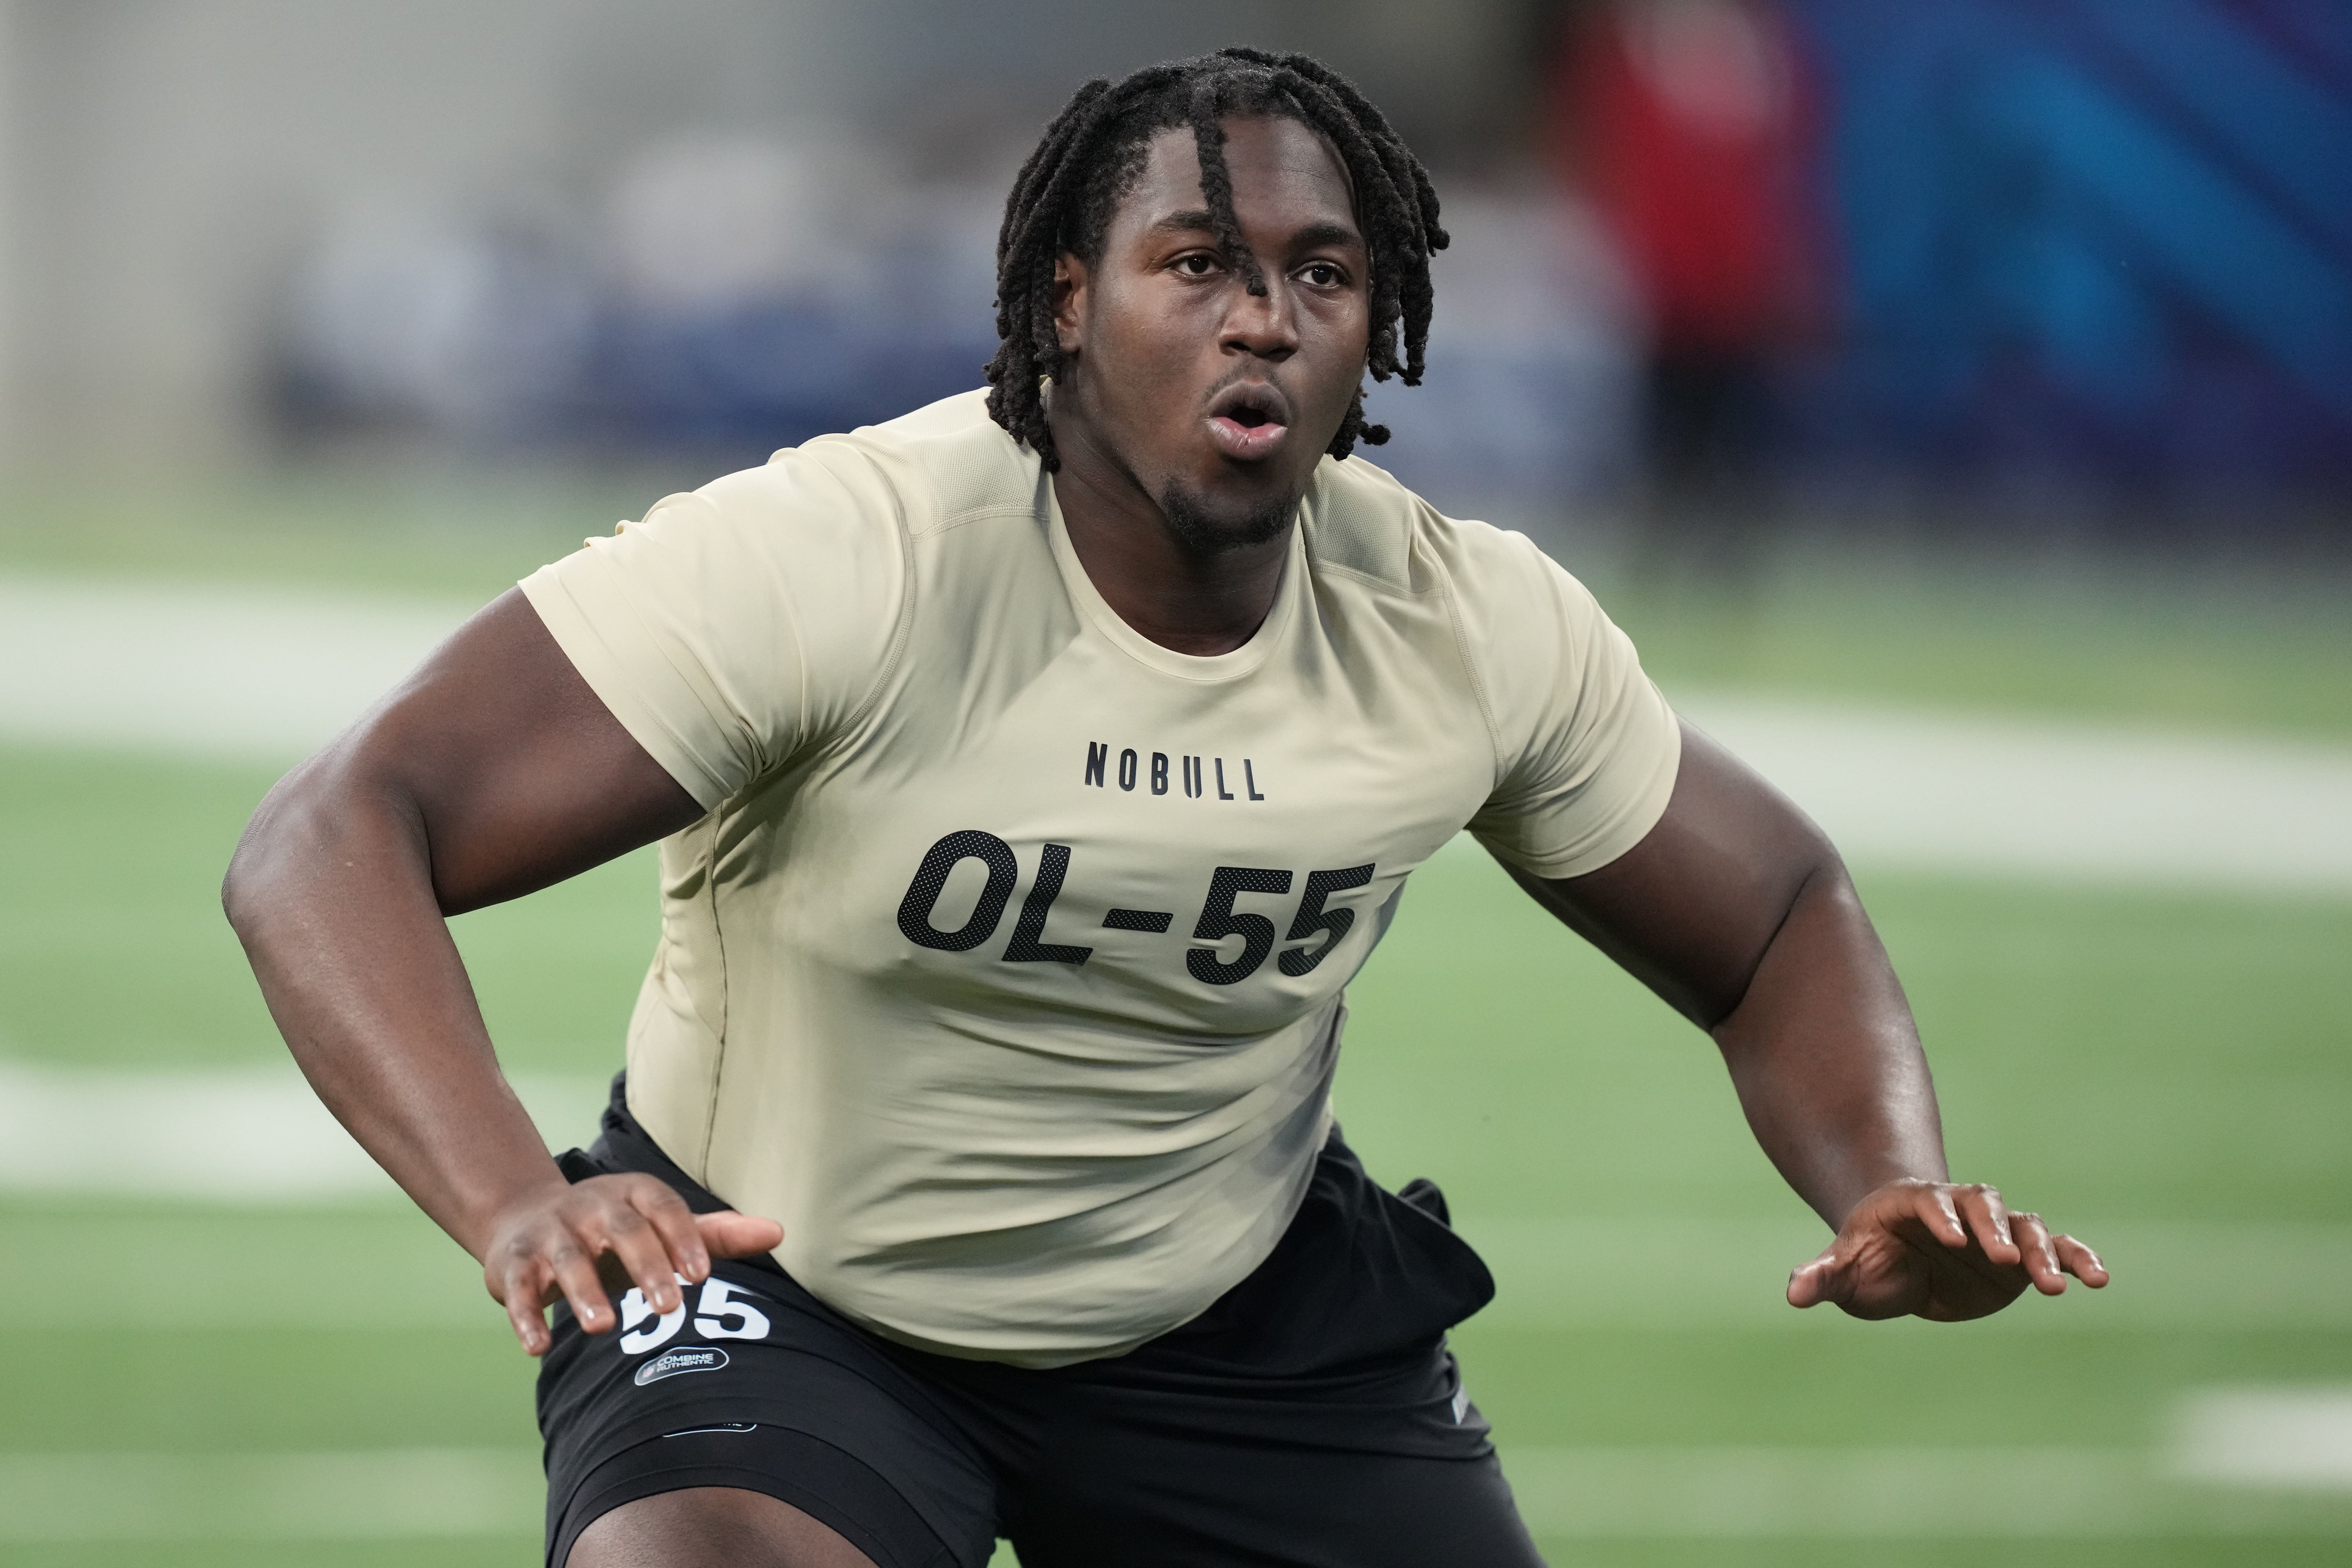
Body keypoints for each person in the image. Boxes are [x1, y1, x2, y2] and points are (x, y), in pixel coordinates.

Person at [224, 48, 2105, 1568]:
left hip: (1228, 1314)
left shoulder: (1458, 617)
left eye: (1320, 273)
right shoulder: (849, 553)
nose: (1265, 320)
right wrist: (514, 1201)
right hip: (794, 1286)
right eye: (1198, 263)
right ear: (1068, 299)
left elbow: (1774, 907)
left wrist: (1886, 1176)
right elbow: (330, 834)